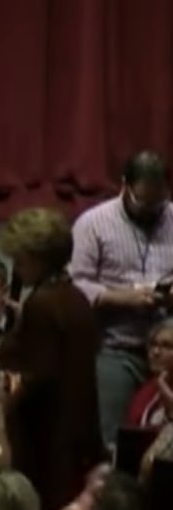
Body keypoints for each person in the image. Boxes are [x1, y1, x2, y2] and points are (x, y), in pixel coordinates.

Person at [0, 206, 105, 510]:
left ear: (38, 258)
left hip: (49, 435)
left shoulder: (42, 304)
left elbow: (39, 375)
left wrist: (3, 407)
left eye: (20, 260)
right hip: (80, 425)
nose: (16, 267)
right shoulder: (75, 296)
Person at [68, 150, 173, 447]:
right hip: (117, 344)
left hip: (169, 341)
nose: (152, 210)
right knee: (114, 435)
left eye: (159, 202)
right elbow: (76, 283)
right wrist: (118, 298)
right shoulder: (92, 224)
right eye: (143, 202)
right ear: (124, 186)